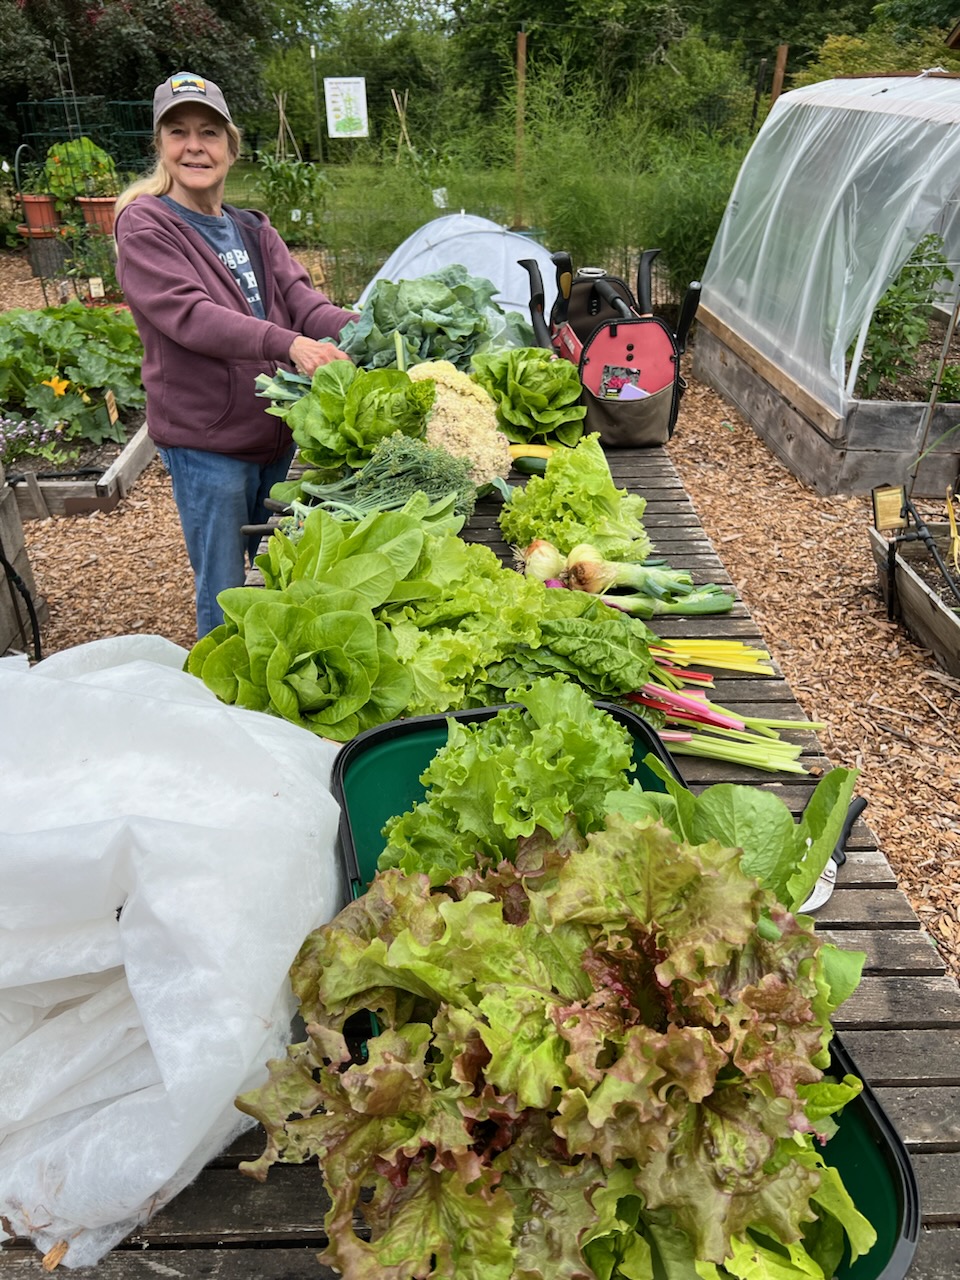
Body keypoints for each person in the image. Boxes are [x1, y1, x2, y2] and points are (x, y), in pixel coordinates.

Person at [115, 71, 358, 638]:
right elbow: (192, 316)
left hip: (281, 436)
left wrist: (374, 331)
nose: (194, 146)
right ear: (160, 146)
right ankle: (218, 706)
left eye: (209, 132)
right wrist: (288, 343)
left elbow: (304, 303)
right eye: (178, 132)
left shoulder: (252, 228)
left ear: (231, 146)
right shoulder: (147, 224)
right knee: (226, 594)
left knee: (279, 579)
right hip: (209, 446)